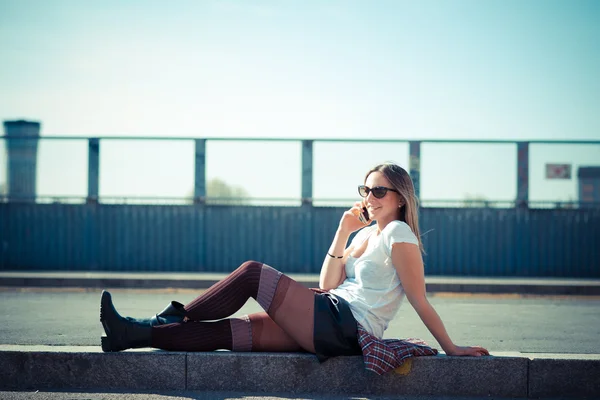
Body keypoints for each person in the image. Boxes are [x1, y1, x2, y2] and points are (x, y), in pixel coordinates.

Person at [100, 162, 489, 373]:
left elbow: (419, 299)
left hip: (344, 323)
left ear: (401, 198)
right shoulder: (364, 235)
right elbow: (328, 282)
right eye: (365, 190)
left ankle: (169, 317)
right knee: (229, 333)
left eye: (378, 191)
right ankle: (130, 334)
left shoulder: (400, 233)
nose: (369, 197)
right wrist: (342, 231)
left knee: (253, 272)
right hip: (328, 316)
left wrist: (451, 349)